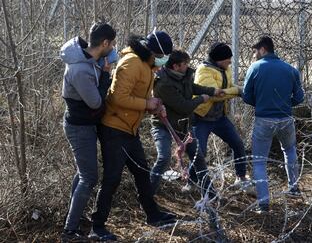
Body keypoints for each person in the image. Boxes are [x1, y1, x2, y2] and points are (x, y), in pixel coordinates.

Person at [89, 31, 177, 241]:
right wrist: (147, 104)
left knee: (141, 173)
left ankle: (152, 215)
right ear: (154, 52)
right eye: (163, 56)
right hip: (114, 128)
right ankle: (97, 226)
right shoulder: (132, 63)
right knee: (112, 178)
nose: (164, 61)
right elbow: (117, 97)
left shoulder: (146, 65)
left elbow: (137, 96)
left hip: (129, 128)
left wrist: (154, 106)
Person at [60, 22, 116, 242]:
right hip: (79, 127)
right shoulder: (80, 69)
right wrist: (105, 76)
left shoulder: (87, 59)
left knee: (83, 173)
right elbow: (95, 103)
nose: (113, 48)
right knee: (89, 177)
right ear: (104, 43)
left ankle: (73, 218)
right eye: (112, 44)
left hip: (85, 125)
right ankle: (70, 232)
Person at [243, 35, 304, 214]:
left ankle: (263, 204)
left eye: (255, 51)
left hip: (264, 119)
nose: (254, 55)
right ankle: (294, 188)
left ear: (263, 49)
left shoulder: (255, 68)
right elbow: (299, 98)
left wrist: (262, 103)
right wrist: (284, 105)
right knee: (290, 151)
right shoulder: (290, 70)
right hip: (286, 119)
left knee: (259, 161)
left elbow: (247, 96)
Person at [150, 49, 222, 198]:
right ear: (176, 66)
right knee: (164, 158)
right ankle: (148, 193)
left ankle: (210, 194)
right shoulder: (163, 84)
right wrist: (201, 99)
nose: (188, 66)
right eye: (185, 64)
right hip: (165, 125)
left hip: (183, 125)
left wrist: (212, 91)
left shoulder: (184, 74)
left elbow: (192, 88)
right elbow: (183, 106)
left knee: (198, 159)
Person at [192, 42, 249, 191]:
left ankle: (241, 177)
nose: (230, 62)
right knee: (199, 151)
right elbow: (215, 95)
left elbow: (226, 88)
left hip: (219, 118)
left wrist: (233, 89)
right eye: (228, 59)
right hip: (202, 118)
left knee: (237, 143)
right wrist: (237, 91)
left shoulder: (225, 69)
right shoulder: (203, 71)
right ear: (219, 59)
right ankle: (191, 181)